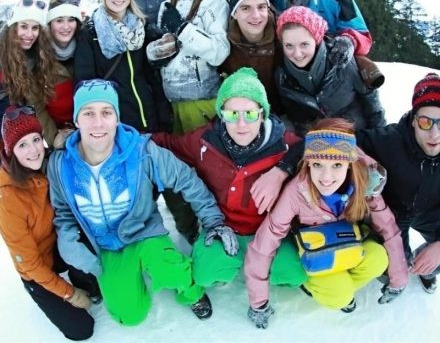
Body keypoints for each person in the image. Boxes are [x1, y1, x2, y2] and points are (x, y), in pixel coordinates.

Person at [47, 79, 238, 325]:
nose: (98, 122)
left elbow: (186, 179)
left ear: (116, 118)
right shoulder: (61, 165)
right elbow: (62, 211)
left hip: (144, 233)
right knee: (129, 316)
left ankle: (191, 292)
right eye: (88, 113)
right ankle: (131, 279)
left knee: (171, 271)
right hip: (107, 246)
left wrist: (212, 220)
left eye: (106, 112)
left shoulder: (141, 151)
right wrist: (69, 244)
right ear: (76, 120)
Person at [245, 118, 408, 329]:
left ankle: (338, 286)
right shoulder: (297, 191)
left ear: (349, 164)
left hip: (347, 241)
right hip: (314, 251)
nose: (327, 177)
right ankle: (325, 289)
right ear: (308, 163)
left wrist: (399, 279)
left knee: (378, 258)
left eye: (337, 165)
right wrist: (258, 303)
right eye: (318, 165)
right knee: (339, 297)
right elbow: (265, 242)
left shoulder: (365, 182)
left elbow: (388, 227)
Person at [152, 68, 307, 290]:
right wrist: (124, 139)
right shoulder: (204, 141)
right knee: (205, 275)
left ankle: (259, 264)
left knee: (294, 274)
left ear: (262, 113)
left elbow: (317, 144)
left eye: (250, 114)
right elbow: (168, 144)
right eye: (232, 114)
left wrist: (281, 170)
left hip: (269, 232)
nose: (241, 124)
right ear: (221, 114)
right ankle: (235, 261)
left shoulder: (285, 144)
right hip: (222, 227)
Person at [0, 105, 99, 340]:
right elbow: (30, 265)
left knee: (94, 285)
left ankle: (83, 279)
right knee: (81, 330)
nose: (33, 150)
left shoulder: (45, 166)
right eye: (22, 145)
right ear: (10, 151)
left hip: (57, 244)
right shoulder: (7, 199)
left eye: (35, 140)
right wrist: (69, 294)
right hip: (35, 267)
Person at [356, 72, 440, 295]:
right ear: (413, 120)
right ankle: (404, 259)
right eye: (425, 122)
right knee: (387, 271)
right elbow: (340, 139)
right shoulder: (389, 140)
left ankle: (428, 267)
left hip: (433, 214)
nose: (434, 133)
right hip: (394, 216)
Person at [74, 0, 171, 133]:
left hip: (149, 114)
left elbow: (153, 77)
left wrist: (163, 115)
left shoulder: (142, 27)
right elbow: (86, 82)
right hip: (117, 121)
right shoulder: (91, 34)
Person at [147, 0, 229, 134]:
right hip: (172, 101)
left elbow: (219, 52)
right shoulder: (168, 4)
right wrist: (155, 51)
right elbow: (165, 51)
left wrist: (182, 29)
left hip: (201, 101)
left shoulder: (214, 3)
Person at [275, 6, 385, 135]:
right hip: (316, 146)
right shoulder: (282, 77)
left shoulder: (342, 62)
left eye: (304, 44)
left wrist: (377, 142)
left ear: (316, 40)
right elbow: (293, 119)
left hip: (358, 139)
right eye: (289, 46)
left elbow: (374, 109)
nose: (297, 54)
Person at [0, 0, 60, 145]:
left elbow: (36, 104)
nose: (29, 34)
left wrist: (55, 139)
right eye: (24, 27)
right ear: (13, 27)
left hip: (15, 131)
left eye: (35, 28)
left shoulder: (36, 58)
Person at [222, 0, 281, 111]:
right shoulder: (224, 46)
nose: (256, 15)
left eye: (261, 7)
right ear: (234, 14)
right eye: (245, 8)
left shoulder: (283, 37)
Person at [46, 0, 83, 148]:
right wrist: (54, 138)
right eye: (59, 20)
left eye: (71, 20)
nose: (66, 27)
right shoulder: (40, 55)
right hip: (57, 131)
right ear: (50, 24)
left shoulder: (86, 47)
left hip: (86, 127)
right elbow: (36, 106)